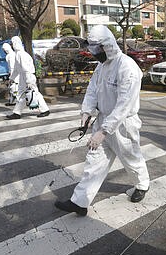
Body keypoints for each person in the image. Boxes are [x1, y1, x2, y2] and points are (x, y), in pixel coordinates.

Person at [54, 25, 150, 216]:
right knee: (93, 163)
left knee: (131, 158)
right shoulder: (101, 67)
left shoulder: (127, 67)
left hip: (123, 125)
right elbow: (92, 91)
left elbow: (124, 105)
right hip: (104, 121)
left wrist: (103, 131)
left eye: (98, 50)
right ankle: (80, 202)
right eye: (92, 49)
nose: (95, 54)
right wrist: (86, 113)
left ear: (108, 46)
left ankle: (142, 184)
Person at [6, 36, 50, 119]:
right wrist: (11, 79)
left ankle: (44, 110)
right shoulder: (18, 54)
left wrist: (28, 81)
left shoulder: (21, 54)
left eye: (12, 43)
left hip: (28, 77)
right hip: (24, 77)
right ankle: (17, 112)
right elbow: (16, 69)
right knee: (22, 94)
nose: (11, 45)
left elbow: (25, 69)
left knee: (33, 93)